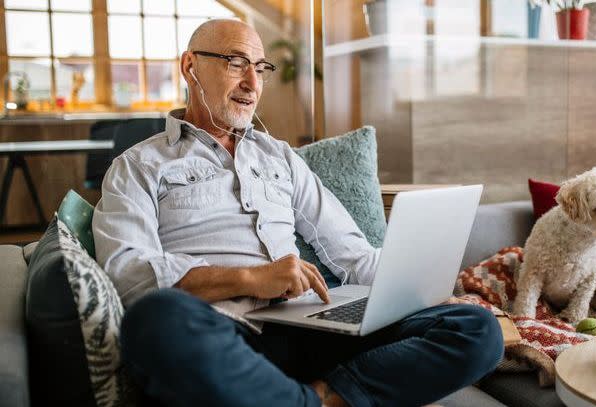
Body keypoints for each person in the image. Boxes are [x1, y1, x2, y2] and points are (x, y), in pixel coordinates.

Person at [93, 18, 503, 407]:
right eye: (236, 63)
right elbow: (128, 275)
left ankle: (324, 397)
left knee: (476, 328)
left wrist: (421, 291)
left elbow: (353, 254)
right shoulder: (139, 166)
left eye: (260, 68)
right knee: (154, 320)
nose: (252, 83)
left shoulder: (280, 158)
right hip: (223, 334)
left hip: (310, 327)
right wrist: (252, 278)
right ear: (190, 66)